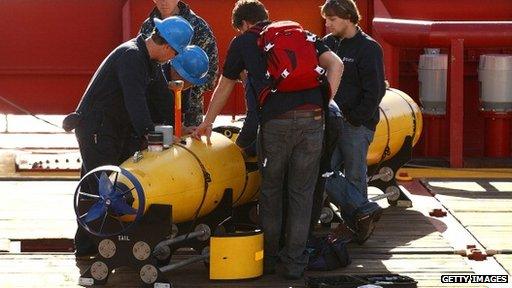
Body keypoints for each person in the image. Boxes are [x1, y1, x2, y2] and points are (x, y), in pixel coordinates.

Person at [192, 0, 343, 279]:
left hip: (275, 122)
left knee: (271, 192)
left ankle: (270, 259)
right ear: (265, 18)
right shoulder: (302, 35)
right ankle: (295, 263)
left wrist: (207, 122)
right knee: (302, 192)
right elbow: (335, 64)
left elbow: (225, 85)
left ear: (244, 25)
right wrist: (324, 101)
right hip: (313, 120)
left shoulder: (244, 42)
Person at [68, 16, 194, 258]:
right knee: (104, 189)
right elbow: (134, 101)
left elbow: (159, 100)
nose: (172, 59)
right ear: (167, 46)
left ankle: (86, 246)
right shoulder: (131, 57)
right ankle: (104, 248)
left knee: (97, 186)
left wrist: (179, 128)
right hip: (98, 129)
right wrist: (152, 134)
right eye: (175, 53)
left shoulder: (149, 63)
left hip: (114, 129)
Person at [320, 0, 386, 243]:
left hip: (356, 125)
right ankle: (363, 211)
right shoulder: (327, 44)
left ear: (348, 17)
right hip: (331, 124)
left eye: (332, 19)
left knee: (356, 176)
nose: (327, 24)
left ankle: (357, 229)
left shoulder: (369, 48)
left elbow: (375, 91)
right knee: (323, 172)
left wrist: (355, 118)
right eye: (326, 19)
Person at [140, 0, 219, 128]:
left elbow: (210, 74)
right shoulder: (148, 26)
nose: (164, 1)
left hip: (189, 114)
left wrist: (185, 87)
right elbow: (141, 67)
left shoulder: (198, 26)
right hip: (154, 112)